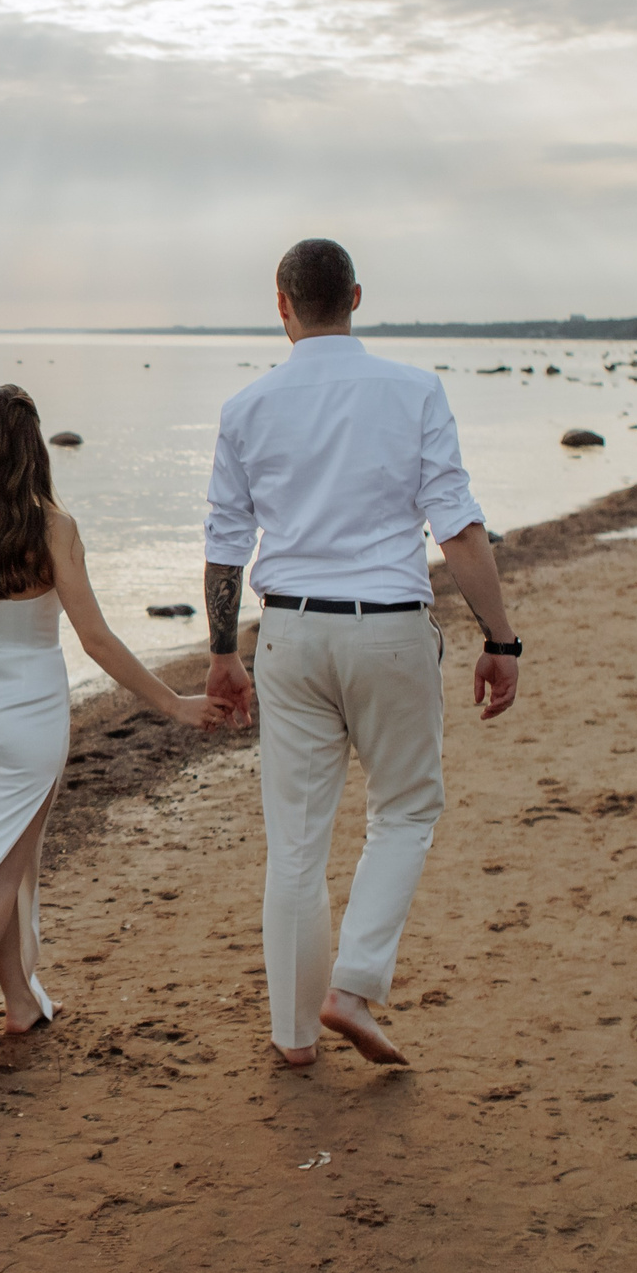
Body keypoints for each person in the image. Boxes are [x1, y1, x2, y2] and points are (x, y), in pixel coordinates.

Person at [201, 239, 522, 1069]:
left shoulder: (245, 409)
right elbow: (456, 526)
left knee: (297, 843)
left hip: (292, 632)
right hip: (387, 628)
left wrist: (223, 653)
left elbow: (226, 549)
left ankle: (294, 1037)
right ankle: (354, 985)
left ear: (281, 304)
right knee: (407, 809)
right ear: (355, 296)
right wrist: (500, 637)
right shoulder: (415, 391)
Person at [0, 384, 220, 1077]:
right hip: (30, 711)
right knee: (4, 869)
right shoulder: (54, 528)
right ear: (31, 447)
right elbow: (95, 639)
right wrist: (173, 703)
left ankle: (19, 1002)